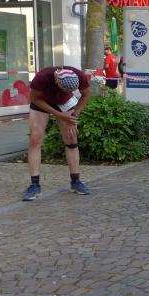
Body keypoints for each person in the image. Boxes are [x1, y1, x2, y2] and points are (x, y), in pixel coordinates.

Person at [23, 66, 91, 201]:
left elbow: (86, 94)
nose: (66, 92)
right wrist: (58, 114)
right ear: (56, 81)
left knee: (71, 139)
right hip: (42, 102)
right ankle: (34, 185)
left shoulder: (79, 75)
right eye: (64, 89)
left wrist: (74, 116)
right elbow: (34, 98)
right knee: (35, 139)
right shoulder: (42, 77)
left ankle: (75, 181)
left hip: (65, 102)